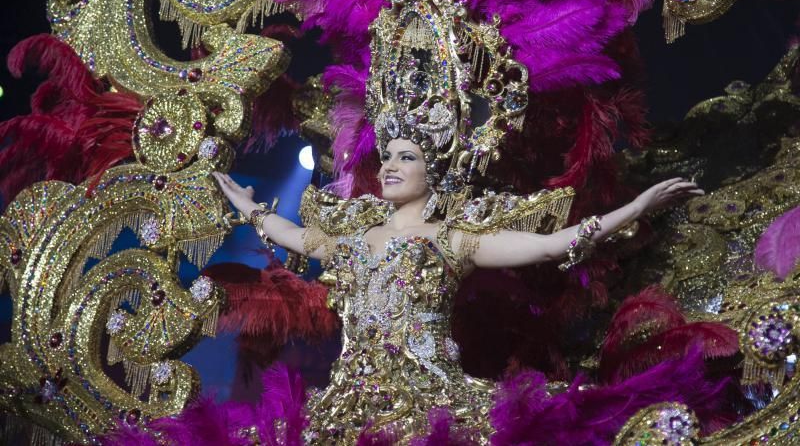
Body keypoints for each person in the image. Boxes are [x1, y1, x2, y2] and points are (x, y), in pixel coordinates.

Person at [211, 137, 704, 442]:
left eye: (407, 157)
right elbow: (289, 233)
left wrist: (635, 208)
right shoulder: (352, 240)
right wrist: (248, 207)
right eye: (386, 157)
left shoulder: (455, 239)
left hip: (431, 404)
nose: (389, 166)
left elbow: (555, 245)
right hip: (347, 406)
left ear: (434, 174)